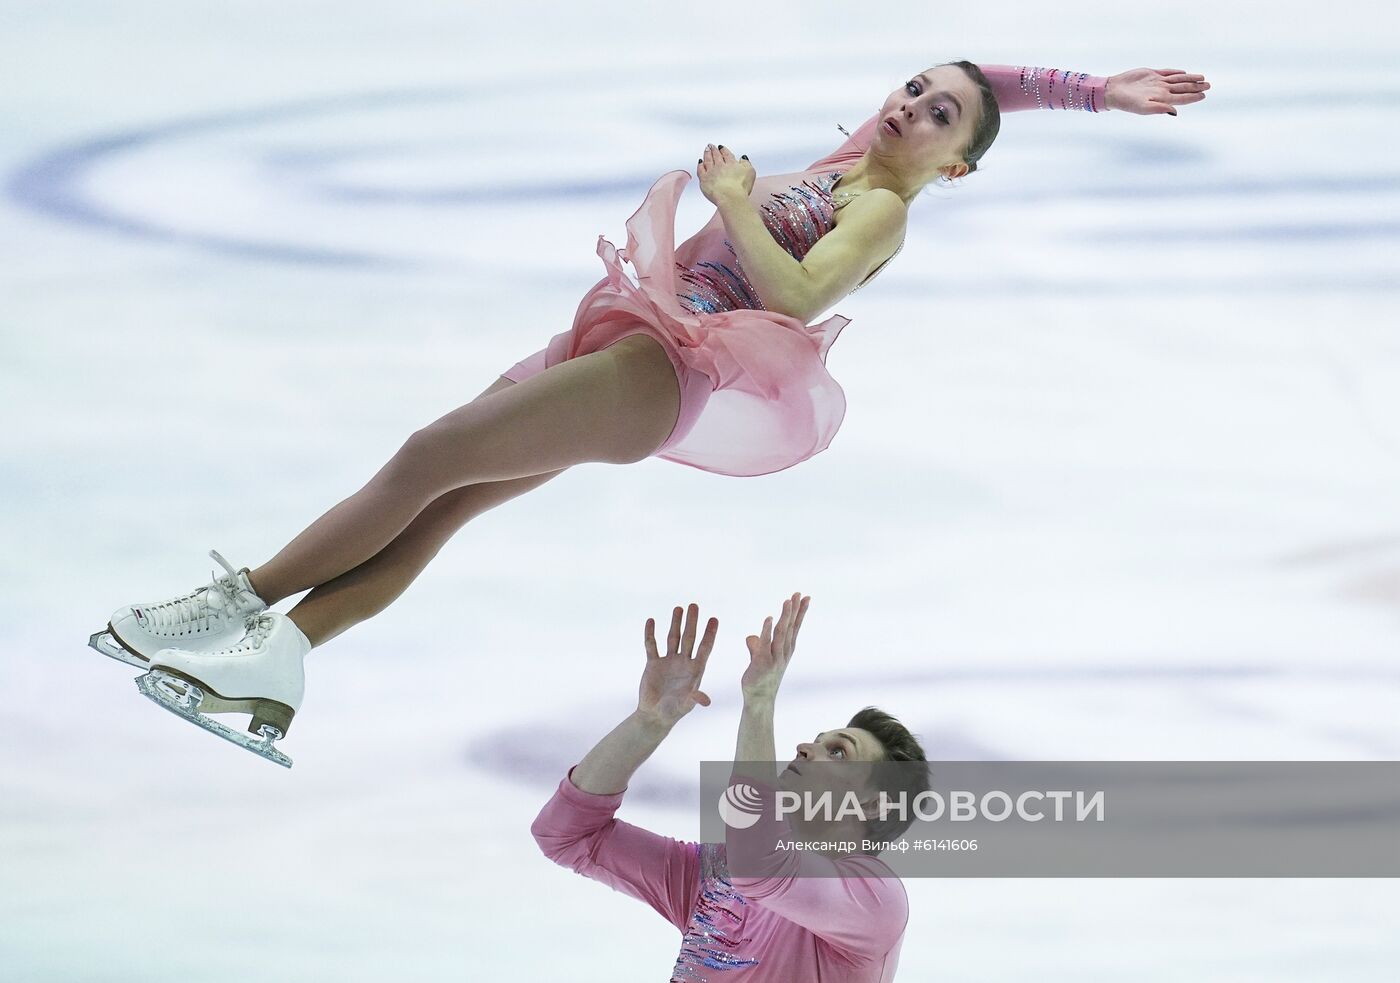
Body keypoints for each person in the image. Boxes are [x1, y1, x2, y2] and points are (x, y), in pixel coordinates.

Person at [88, 61, 1211, 764]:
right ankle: (280, 658)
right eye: (914, 88)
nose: (911, 106)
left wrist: (731, 201)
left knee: (431, 454)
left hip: (661, 374)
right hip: (622, 334)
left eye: (938, 116)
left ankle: (216, 615)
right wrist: (1086, 91)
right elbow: (985, 77)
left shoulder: (880, 207)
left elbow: (802, 294)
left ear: (952, 167)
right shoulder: (857, 152)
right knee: (443, 504)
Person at [533, 594, 929, 981]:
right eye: (818, 739)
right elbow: (566, 835)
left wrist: (759, 701)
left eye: (839, 752)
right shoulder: (715, 874)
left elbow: (761, 866)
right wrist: (646, 724)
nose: (806, 748)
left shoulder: (874, 900)